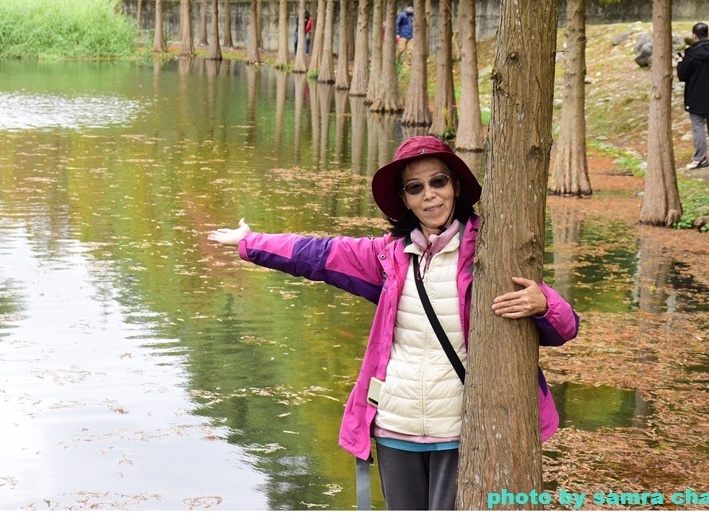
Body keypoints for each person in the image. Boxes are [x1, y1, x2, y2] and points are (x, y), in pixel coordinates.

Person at [207, 136, 579, 510]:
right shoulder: (387, 257)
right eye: (415, 188)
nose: (429, 196)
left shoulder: (490, 252)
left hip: (462, 430)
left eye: (438, 182)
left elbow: (565, 329)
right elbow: (317, 255)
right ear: (404, 199)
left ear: (456, 186)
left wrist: (544, 303)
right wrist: (250, 241)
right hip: (395, 427)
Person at [677, 22, 709, 169]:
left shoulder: (691, 54)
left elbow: (683, 75)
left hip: (696, 95)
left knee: (698, 125)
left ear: (694, 36)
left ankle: (701, 158)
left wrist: (680, 62)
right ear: (707, 34)